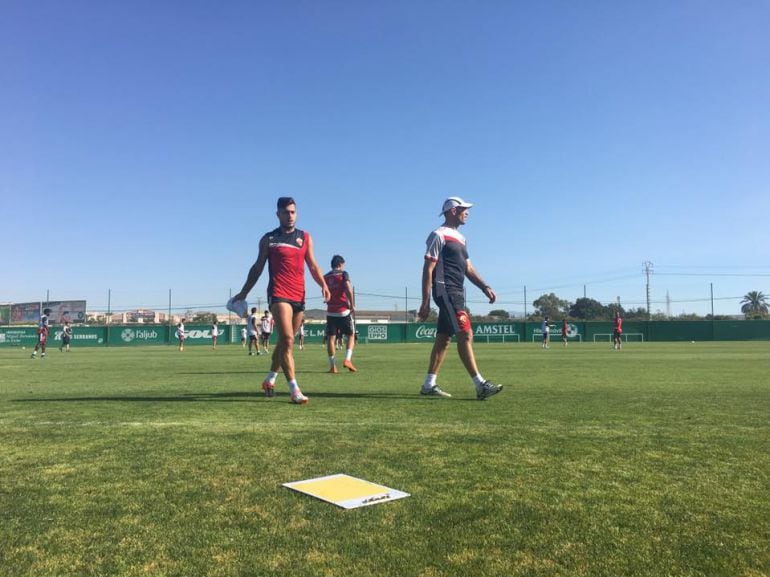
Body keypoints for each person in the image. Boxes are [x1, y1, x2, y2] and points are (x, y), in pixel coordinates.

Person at [232, 197, 330, 404]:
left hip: (299, 296)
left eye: (293, 212)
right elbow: (257, 268)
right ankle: (294, 389)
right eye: (286, 212)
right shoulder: (269, 239)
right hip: (278, 294)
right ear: (278, 214)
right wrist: (243, 293)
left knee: (287, 344)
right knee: (287, 339)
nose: (290, 215)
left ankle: (269, 380)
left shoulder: (305, 237)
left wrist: (323, 284)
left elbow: (312, 265)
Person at [418, 196, 502, 400]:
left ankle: (429, 384)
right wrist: (425, 301)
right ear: (453, 211)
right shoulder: (438, 235)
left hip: (456, 291)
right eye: (464, 209)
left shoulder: (462, 238)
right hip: (445, 290)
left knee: (444, 339)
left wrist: (485, 286)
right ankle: (480, 384)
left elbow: (468, 268)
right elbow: (428, 268)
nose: (468, 212)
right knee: (465, 334)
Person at [324, 255, 357, 373]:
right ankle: (348, 360)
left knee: (331, 339)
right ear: (340, 264)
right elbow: (348, 288)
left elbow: (324, 292)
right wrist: (352, 304)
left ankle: (333, 366)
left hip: (330, 312)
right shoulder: (343, 274)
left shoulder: (325, 277)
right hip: (343, 311)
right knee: (351, 335)